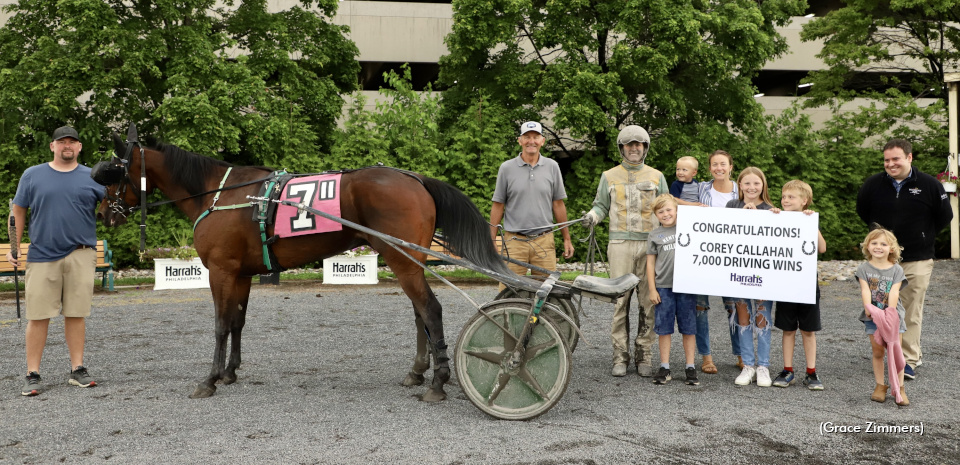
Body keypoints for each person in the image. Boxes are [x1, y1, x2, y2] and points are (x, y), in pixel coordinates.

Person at [7, 126, 106, 396]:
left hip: (81, 253)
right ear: (52, 146)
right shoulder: (33, 175)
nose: (67, 146)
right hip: (42, 255)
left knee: (76, 314)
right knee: (38, 316)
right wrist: (14, 248)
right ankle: (32, 373)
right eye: (62, 142)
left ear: (79, 147)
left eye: (72, 142)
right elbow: (17, 211)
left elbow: (113, 207)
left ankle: (78, 369)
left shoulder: (93, 177)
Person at [855, 138, 952, 380]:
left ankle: (908, 359)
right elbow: (862, 211)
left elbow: (944, 217)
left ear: (909, 158)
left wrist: (923, 236)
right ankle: (883, 352)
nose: (890, 164)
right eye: (887, 160)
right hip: (881, 262)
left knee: (909, 309)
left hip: (916, 259)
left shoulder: (930, 185)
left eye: (896, 159)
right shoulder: (873, 185)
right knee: (880, 306)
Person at [582, 125, 669, 377]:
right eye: (629, 144)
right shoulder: (609, 176)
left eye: (638, 144)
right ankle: (620, 356)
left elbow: (666, 209)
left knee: (648, 302)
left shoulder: (656, 176)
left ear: (645, 148)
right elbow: (600, 206)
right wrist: (591, 217)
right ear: (621, 147)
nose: (634, 148)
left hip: (650, 246)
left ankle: (644, 355)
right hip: (619, 245)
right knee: (620, 301)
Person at [490, 121, 574, 288]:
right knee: (507, 292)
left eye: (535, 137)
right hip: (514, 242)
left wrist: (566, 238)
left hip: (544, 241)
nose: (531, 141)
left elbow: (558, 205)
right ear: (520, 140)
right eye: (527, 137)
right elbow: (498, 205)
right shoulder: (506, 168)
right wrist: (492, 238)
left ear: (542, 141)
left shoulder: (552, 167)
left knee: (548, 293)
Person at [770, 180, 827, 390]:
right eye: (784, 197)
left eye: (791, 197)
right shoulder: (777, 218)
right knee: (787, 329)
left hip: (806, 283)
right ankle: (788, 370)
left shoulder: (809, 219)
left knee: (808, 330)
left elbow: (822, 248)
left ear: (804, 201)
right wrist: (771, 216)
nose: (785, 200)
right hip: (785, 283)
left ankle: (811, 372)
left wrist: (812, 224)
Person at [724, 166, 776, 387]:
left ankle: (763, 366)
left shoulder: (772, 209)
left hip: (764, 273)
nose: (752, 187)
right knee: (742, 318)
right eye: (747, 183)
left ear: (763, 185)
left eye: (756, 183)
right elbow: (722, 234)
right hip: (739, 272)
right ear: (739, 185)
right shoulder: (731, 206)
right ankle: (747, 365)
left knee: (763, 318)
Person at [694, 150, 739, 374]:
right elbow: (672, 198)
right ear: (709, 167)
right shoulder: (701, 188)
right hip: (704, 257)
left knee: (735, 307)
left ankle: (741, 354)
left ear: (731, 166)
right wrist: (693, 207)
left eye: (723, 164)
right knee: (701, 308)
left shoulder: (742, 190)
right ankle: (706, 357)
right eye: (714, 164)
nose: (719, 168)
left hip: (734, 258)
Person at [646, 195, 699, 386]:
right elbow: (650, 263)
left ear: (677, 210)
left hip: (686, 287)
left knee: (689, 328)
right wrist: (652, 289)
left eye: (669, 210)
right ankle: (665, 366)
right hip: (664, 287)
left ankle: (690, 367)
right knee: (664, 329)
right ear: (656, 215)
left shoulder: (690, 228)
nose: (666, 214)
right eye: (660, 212)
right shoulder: (654, 235)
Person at [855, 228, 909, 406]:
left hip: (893, 317)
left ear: (891, 248)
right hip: (873, 315)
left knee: (895, 351)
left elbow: (894, 291)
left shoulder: (897, 270)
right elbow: (864, 289)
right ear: (868, 246)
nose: (878, 247)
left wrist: (890, 313)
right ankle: (880, 385)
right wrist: (869, 308)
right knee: (878, 351)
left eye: (883, 244)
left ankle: (900, 387)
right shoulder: (863, 269)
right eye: (874, 243)